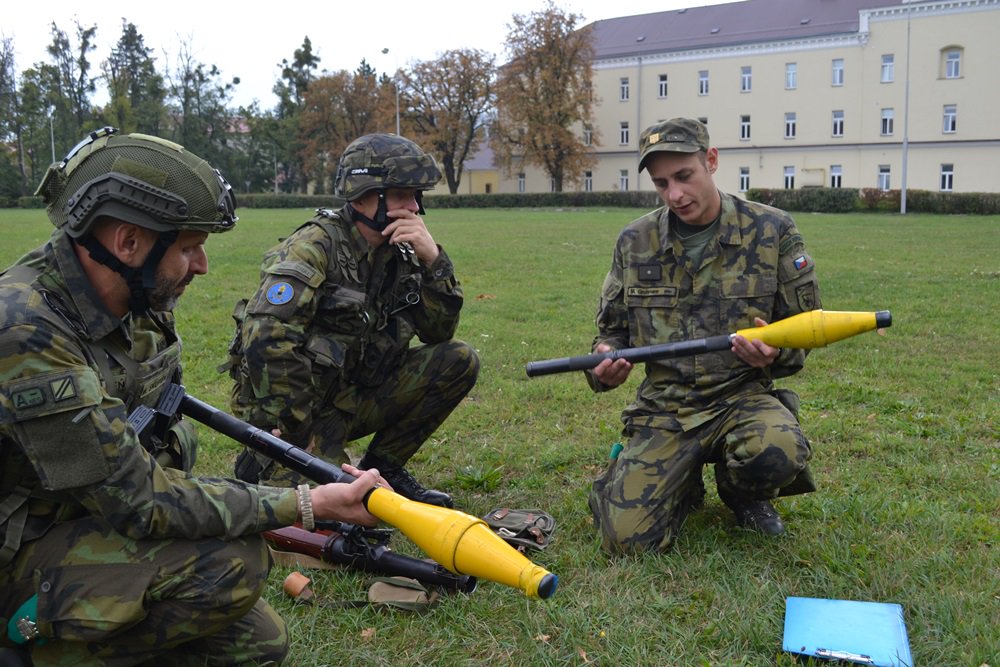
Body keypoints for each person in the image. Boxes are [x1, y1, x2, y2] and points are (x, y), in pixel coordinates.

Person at [0, 128, 386, 665]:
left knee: (259, 643)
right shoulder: (25, 331)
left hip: (82, 516)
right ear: (129, 243)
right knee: (235, 563)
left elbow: (153, 438)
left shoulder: (137, 302)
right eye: (188, 247)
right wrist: (305, 503)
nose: (202, 266)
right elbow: (140, 501)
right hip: (20, 549)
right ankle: (22, 652)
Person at [586, 118, 822, 553]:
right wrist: (606, 360)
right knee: (626, 541)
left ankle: (744, 492)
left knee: (778, 449)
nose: (674, 194)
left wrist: (771, 354)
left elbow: (804, 332)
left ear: (710, 161)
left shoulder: (772, 231)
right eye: (661, 184)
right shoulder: (635, 241)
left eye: (684, 176)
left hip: (741, 396)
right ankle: (676, 482)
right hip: (666, 406)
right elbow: (612, 332)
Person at [228, 134, 478, 509]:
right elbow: (266, 341)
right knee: (333, 511)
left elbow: (438, 332)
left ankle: (384, 467)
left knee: (459, 360)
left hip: (353, 397)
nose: (414, 207)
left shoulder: (404, 252)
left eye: (415, 196)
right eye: (400, 195)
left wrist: (434, 261)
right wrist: (296, 432)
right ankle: (266, 457)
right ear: (363, 196)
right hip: (303, 415)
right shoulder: (314, 247)